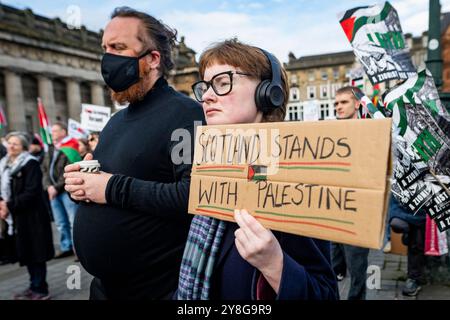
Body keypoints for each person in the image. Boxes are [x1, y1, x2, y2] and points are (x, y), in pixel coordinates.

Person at [177, 39, 338, 300]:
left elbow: (325, 295)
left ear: (267, 92)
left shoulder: (292, 179)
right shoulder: (210, 170)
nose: (206, 96)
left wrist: (275, 264)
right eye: (205, 86)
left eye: (222, 82)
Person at [63, 7, 205, 299]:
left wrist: (112, 187)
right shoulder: (115, 122)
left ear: (152, 59)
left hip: (158, 291)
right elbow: (105, 185)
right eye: (104, 48)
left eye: (118, 47)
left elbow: (194, 195)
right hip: (104, 289)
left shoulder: (186, 115)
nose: (107, 58)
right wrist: (80, 186)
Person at [0, 132, 54, 300]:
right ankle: (33, 286)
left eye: (15, 143)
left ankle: (41, 289)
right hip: (18, 216)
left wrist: (8, 205)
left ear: (23, 146)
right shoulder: (5, 164)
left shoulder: (30, 164)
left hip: (33, 216)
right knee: (27, 252)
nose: (11, 146)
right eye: (9, 143)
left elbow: (32, 192)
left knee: (36, 252)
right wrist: (2, 203)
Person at [330, 86, 370, 300]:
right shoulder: (331, 135)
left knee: (357, 269)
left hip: (357, 213)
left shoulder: (370, 133)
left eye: (343, 102)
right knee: (332, 266)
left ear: (357, 104)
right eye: (336, 103)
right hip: (333, 211)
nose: (338, 107)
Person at [42, 122, 81, 259]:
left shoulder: (71, 146)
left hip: (65, 189)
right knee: (60, 221)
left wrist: (56, 187)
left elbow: (71, 168)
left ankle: (79, 248)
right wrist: (48, 187)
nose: (52, 134)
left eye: (55, 131)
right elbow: (45, 169)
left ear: (64, 132)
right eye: (52, 131)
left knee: (73, 220)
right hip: (52, 191)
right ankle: (66, 246)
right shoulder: (51, 148)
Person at [388, 195, 426, 296]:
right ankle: (407, 232)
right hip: (405, 199)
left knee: (417, 242)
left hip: (427, 201)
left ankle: (414, 278)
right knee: (398, 223)